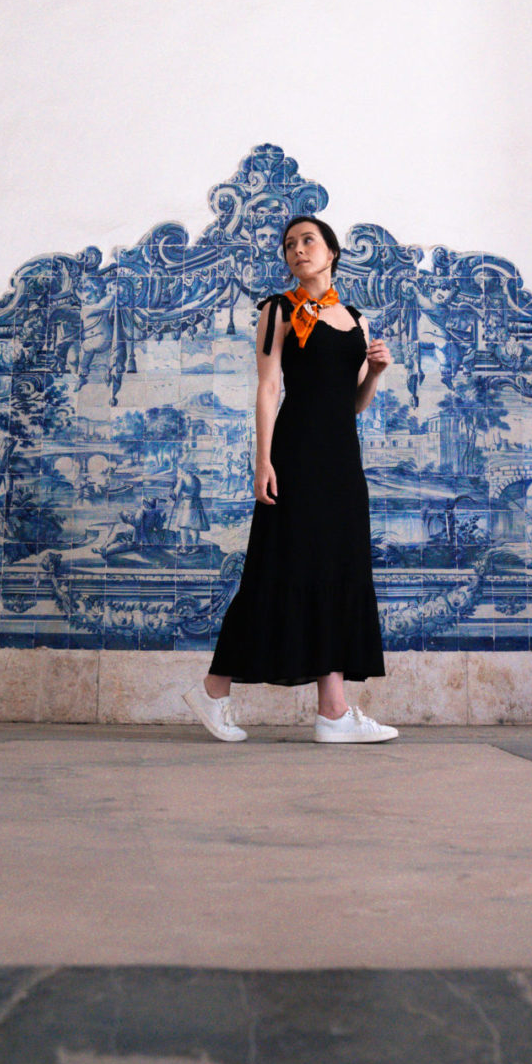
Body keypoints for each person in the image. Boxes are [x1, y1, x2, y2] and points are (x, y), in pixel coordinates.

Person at [183, 215, 398, 745]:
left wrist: (375, 373)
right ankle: (212, 691)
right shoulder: (279, 310)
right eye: (289, 245)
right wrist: (263, 461)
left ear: (331, 253)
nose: (297, 250)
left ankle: (333, 712)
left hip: (342, 464)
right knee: (276, 570)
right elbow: (268, 386)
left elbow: (351, 404)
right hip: (295, 456)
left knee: (337, 572)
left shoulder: (356, 318)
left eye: (308, 241)